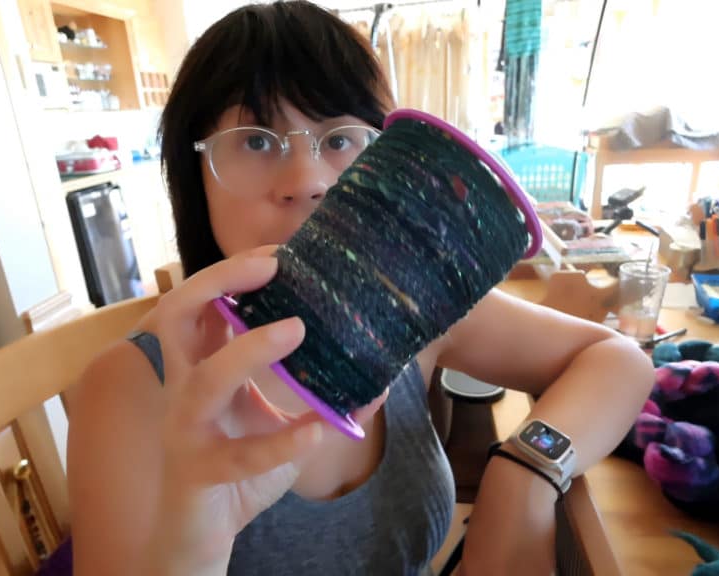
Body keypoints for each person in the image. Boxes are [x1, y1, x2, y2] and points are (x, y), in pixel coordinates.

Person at [67, 2, 654, 575]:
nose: (308, 180)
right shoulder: (130, 391)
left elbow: (616, 358)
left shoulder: (407, 310)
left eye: (340, 138)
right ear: (194, 177)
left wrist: (525, 474)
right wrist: (190, 554)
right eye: (256, 140)